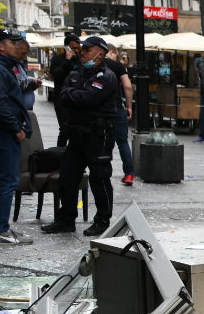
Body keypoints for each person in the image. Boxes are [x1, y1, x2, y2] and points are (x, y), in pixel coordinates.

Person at [43, 37, 120, 237]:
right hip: (77, 133)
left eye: (87, 49)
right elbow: (63, 95)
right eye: (82, 48)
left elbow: (89, 98)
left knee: (99, 178)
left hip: (99, 135)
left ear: (100, 54)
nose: (83, 51)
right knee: (67, 176)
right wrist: (77, 95)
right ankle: (66, 219)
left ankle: (102, 220)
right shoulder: (77, 72)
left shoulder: (106, 76)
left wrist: (75, 95)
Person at [0, 30, 39, 246]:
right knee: (8, 180)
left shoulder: (4, 66)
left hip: (3, 129)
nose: (17, 45)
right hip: (4, 130)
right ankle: (0, 230)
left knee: (0, 179)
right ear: (0, 46)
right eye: (12, 42)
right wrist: (16, 128)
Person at [47, 33, 81, 146]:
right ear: (66, 47)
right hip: (62, 99)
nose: (76, 50)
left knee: (76, 130)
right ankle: (59, 154)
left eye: (77, 47)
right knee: (65, 129)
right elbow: (57, 75)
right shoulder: (58, 59)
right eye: (73, 47)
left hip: (76, 99)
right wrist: (67, 61)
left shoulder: (80, 59)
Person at [108, 50, 136, 185]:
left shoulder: (92, 65)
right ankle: (129, 174)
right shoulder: (117, 66)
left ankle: (103, 171)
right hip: (117, 107)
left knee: (104, 141)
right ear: (111, 52)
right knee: (122, 142)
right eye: (116, 54)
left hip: (100, 109)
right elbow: (127, 86)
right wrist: (129, 105)